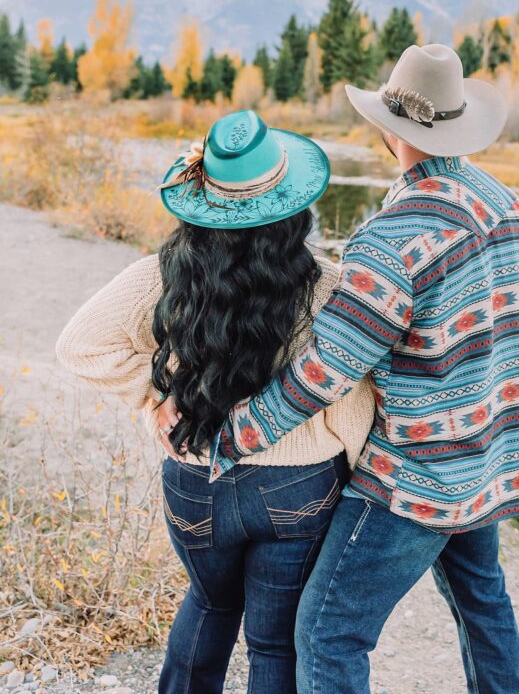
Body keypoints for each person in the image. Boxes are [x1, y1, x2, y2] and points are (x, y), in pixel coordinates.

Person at [210, 44, 519, 694]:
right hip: (487, 460)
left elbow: (325, 373)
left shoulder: (389, 241)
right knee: (485, 608)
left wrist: (233, 434)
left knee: (325, 634)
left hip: (416, 476)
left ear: (388, 129)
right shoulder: (511, 209)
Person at [55, 111, 374, 694]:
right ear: (294, 207)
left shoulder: (160, 277)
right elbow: (346, 400)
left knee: (208, 606)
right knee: (274, 641)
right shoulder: (328, 287)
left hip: (194, 479)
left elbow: (78, 345)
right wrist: (353, 471)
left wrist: (152, 398)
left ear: (202, 200)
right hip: (297, 489)